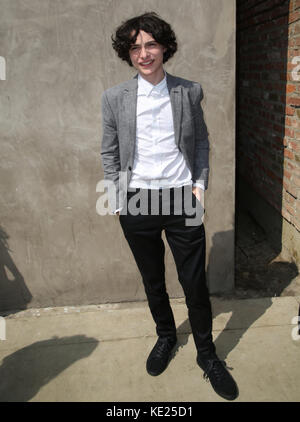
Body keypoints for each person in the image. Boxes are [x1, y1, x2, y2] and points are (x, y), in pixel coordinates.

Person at [101, 11, 238, 401]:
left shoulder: (188, 90)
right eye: (135, 47)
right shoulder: (114, 98)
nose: (143, 53)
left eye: (150, 44)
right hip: (137, 200)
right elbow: (109, 150)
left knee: (194, 282)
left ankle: (207, 355)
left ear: (164, 47)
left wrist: (199, 187)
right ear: (127, 53)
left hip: (182, 196)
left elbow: (201, 142)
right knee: (153, 280)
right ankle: (165, 336)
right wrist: (117, 196)